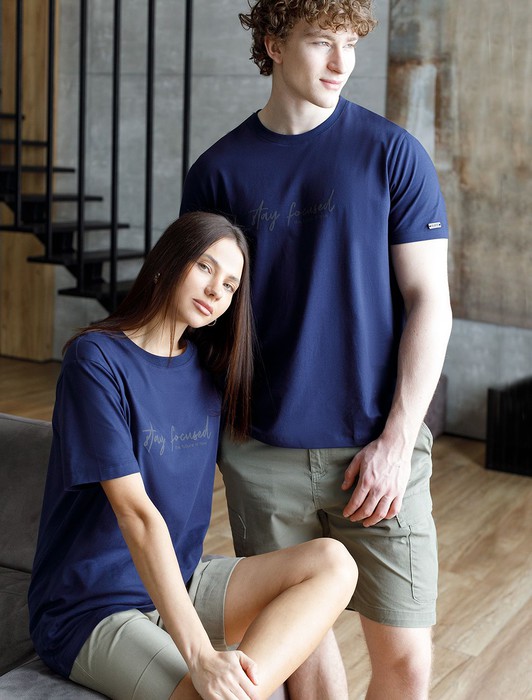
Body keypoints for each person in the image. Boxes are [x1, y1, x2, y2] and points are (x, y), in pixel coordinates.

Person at [179, 2, 453, 699]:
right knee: (305, 661)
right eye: (320, 42)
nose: (340, 63)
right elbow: (200, 312)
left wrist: (397, 442)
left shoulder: (392, 154)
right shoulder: (218, 171)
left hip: (377, 450)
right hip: (262, 451)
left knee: (406, 662)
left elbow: (430, 301)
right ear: (273, 44)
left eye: (350, 45)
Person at [28, 211, 358, 700]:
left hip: (181, 583)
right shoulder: (95, 360)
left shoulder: (206, 370)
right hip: (91, 606)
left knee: (333, 562)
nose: (215, 291)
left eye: (229, 285)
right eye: (205, 267)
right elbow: (136, 515)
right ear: (167, 262)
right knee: (211, 688)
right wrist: (202, 658)